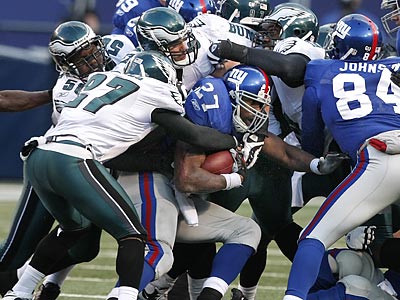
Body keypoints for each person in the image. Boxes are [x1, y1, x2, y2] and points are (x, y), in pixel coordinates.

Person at [0, 20, 139, 297]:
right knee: (17, 248)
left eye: (91, 50)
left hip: (94, 165)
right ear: (66, 64)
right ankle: (18, 280)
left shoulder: (122, 54)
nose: (91, 58)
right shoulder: (67, 85)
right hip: (62, 160)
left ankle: (29, 281)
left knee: (84, 247)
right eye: (81, 57)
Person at [281, 13, 400, 300]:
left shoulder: (322, 72)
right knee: (353, 262)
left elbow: (311, 140)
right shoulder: (391, 66)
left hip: (381, 157)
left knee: (312, 238)